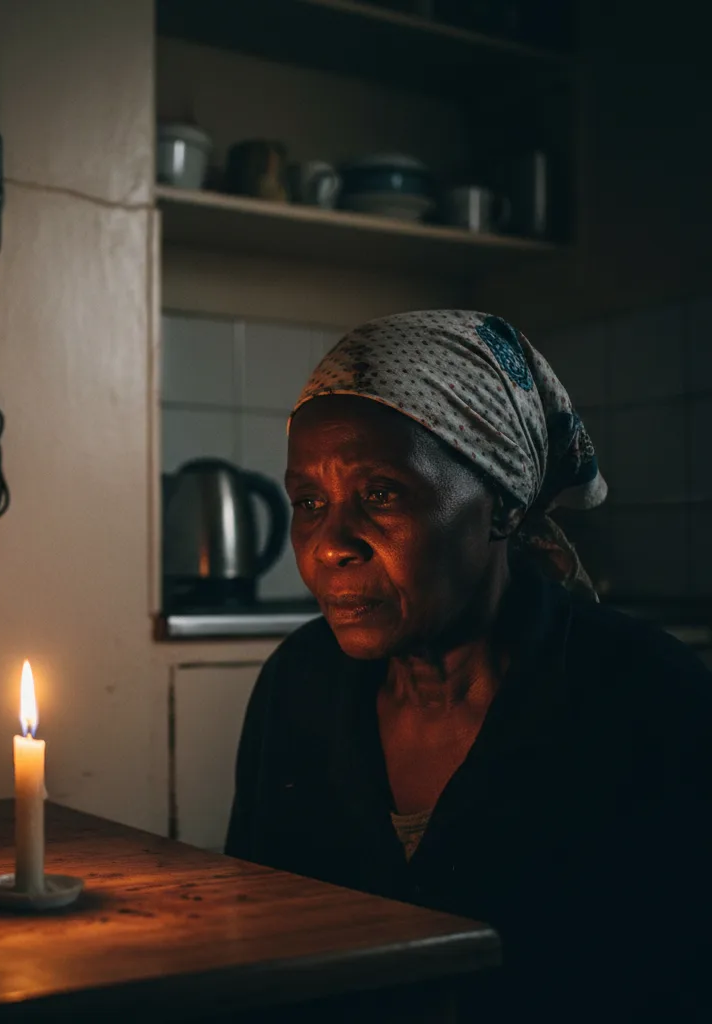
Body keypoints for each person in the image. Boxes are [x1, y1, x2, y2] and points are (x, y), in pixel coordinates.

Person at [225, 310, 712, 1022]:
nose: (331, 544)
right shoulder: (300, 682)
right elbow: (259, 940)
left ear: (504, 505)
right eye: (309, 502)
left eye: (382, 494)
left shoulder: (645, 698)